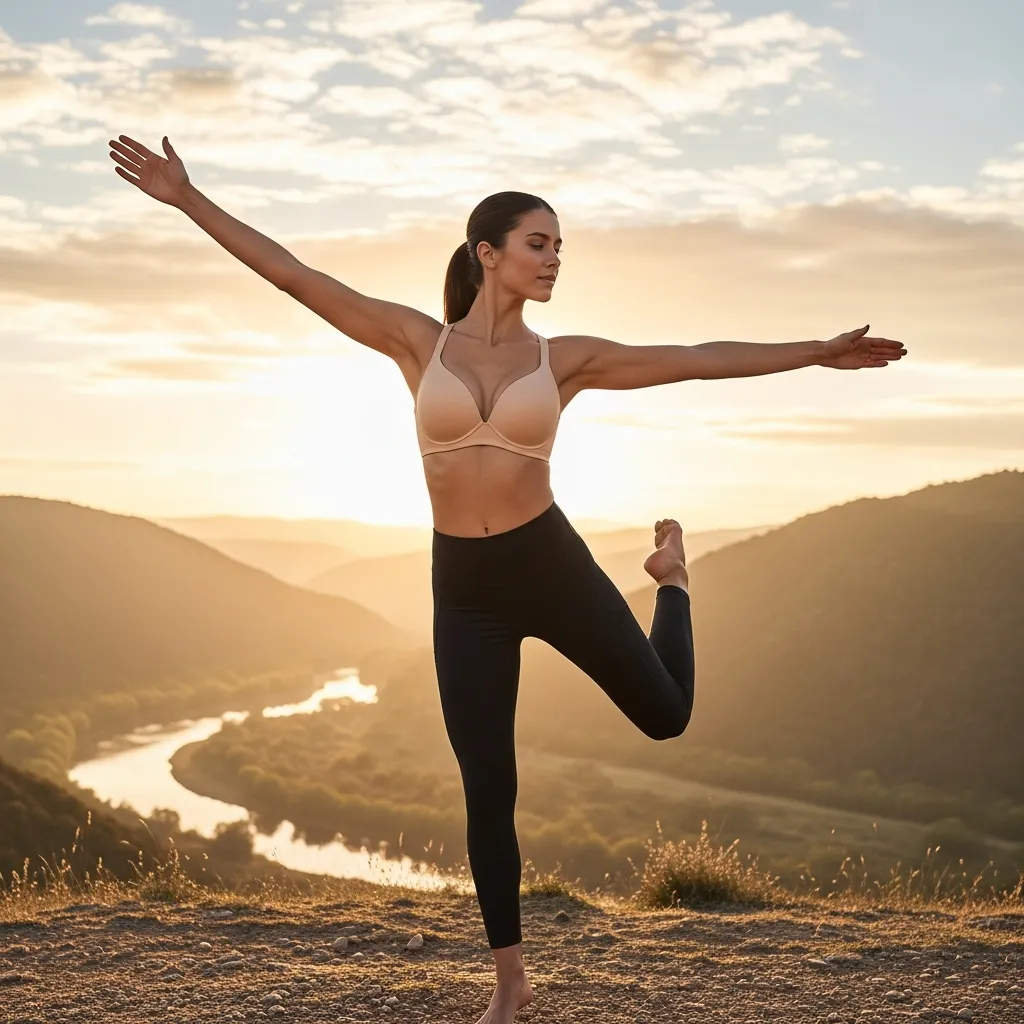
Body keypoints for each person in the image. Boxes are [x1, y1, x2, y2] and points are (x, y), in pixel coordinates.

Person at [108, 134, 908, 1024]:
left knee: (667, 716)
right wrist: (189, 199)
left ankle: (670, 580)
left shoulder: (564, 360)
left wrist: (813, 351)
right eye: (539, 244)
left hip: (549, 563)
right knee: (488, 783)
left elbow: (693, 355)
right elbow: (295, 276)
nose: (555, 259)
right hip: (467, 589)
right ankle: (510, 985)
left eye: (561, 247)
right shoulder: (417, 342)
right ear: (487, 253)